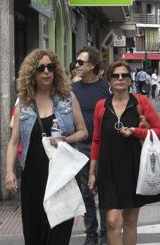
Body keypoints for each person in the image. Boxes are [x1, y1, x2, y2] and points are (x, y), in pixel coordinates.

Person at [5, 49, 88, 245]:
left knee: (58, 237)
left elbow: (83, 131)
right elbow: (14, 141)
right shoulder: (23, 104)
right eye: (40, 68)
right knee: (34, 236)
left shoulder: (67, 99)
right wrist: (9, 172)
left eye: (50, 67)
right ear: (31, 73)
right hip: (33, 180)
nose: (46, 72)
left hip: (62, 179)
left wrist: (65, 140)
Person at [88, 61, 160, 245]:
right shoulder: (101, 106)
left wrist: (135, 131)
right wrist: (92, 172)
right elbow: (96, 140)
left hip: (134, 169)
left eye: (124, 75)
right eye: (116, 75)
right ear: (109, 80)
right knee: (112, 221)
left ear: (130, 80)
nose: (120, 79)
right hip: (108, 171)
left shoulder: (140, 103)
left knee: (130, 221)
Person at [71, 47, 110, 245]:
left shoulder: (106, 88)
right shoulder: (72, 89)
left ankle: (104, 234)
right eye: (76, 62)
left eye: (80, 62)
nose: (76, 66)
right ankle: (91, 233)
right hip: (81, 148)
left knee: (103, 192)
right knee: (86, 192)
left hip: (104, 148)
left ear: (92, 65)